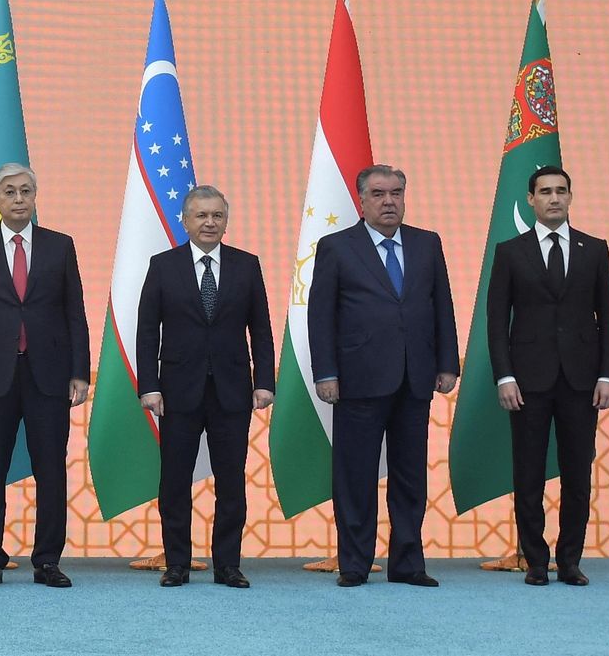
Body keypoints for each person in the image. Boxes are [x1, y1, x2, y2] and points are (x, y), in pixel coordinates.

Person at [308, 164, 458, 588]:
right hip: (357, 379)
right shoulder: (337, 246)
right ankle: (354, 563)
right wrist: (327, 372)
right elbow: (320, 316)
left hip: (415, 379)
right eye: (378, 194)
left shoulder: (427, 244)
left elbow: (441, 306)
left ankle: (408, 563)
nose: (388, 201)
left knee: (410, 476)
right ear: (361, 200)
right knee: (355, 475)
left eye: (396, 193)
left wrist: (448, 363)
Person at [0, 163, 90, 588]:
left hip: (48, 374)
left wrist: (80, 372)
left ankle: (48, 560)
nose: (18, 198)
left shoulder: (59, 246)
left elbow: (74, 314)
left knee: (51, 468)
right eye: (9, 192)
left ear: (35, 197)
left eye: (25, 191)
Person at [136, 185, 275, 589]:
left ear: (226, 221)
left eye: (217, 215)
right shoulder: (163, 265)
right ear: (185, 221)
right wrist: (150, 385)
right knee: (175, 481)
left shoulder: (247, 265)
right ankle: (177, 562)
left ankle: (227, 565)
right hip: (177, 391)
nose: (209, 222)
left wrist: (264, 381)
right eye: (201, 215)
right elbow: (148, 331)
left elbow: (261, 330)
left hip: (232, 391)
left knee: (231, 481)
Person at [487, 165, 609, 587]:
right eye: (545, 192)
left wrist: (608, 375)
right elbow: (495, 320)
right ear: (531, 200)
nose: (554, 198)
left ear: (570, 197)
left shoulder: (594, 249)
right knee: (527, 472)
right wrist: (504, 377)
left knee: (578, 472)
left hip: (582, 382)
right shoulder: (510, 252)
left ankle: (571, 559)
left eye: (561, 191)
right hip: (527, 381)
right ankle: (536, 560)